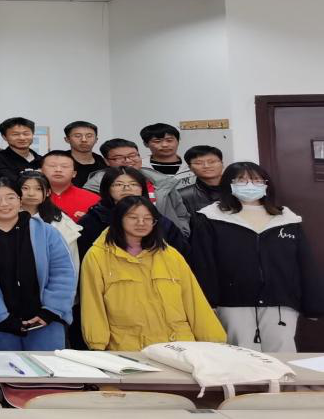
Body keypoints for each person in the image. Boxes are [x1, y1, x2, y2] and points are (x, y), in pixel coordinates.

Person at [190, 162, 324, 352]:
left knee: (282, 353)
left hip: (280, 301)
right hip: (232, 302)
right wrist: (208, 303)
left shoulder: (286, 218)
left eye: (256, 180)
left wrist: (313, 304)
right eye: (241, 180)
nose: (250, 185)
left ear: (266, 184)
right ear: (228, 184)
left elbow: (305, 263)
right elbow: (204, 264)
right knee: (240, 354)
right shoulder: (210, 217)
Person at [80, 195, 224, 351]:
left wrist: (214, 340)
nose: (141, 223)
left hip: (178, 345)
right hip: (129, 348)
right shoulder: (97, 256)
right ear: (118, 219)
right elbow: (92, 304)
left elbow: (194, 300)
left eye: (148, 218)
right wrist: (97, 344)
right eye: (133, 217)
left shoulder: (170, 255)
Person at [0, 178, 76, 351]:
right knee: (6, 368)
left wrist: (50, 311)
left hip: (45, 321)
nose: (4, 203)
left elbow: (63, 273)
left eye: (11, 197)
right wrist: (1, 317)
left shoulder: (46, 232)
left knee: (47, 367)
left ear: (20, 200)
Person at [85, 138, 192, 236]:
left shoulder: (161, 180)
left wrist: (181, 233)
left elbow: (181, 214)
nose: (128, 160)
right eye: (119, 158)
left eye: (133, 155)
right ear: (106, 161)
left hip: (167, 241)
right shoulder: (95, 187)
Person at [78, 166, 188, 260]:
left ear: (142, 189)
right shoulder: (92, 220)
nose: (127, 188)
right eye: (118, 184)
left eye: (134, 184)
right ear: (107, 189)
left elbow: (181, 255)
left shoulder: (158, 220)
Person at [17, 170, 82, 272]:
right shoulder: (6, 215)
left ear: (48, 192)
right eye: (25, 188)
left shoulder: (59, 220)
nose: (31, 193)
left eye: (38, 189)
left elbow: (71, 258)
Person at [39, 151, 99, 223]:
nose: (58, 170)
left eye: (65, 166)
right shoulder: (30, 197)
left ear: (74, 173)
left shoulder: (94, 200)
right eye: (52, 166)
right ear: (41, 171)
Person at [176, 145, 227, 214]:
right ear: (190, 168)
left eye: (212, 162)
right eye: (198, 163)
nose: (206, 166)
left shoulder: (237, 190)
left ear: (222, 164)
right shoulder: (182, 196)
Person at [63, 121, 106, 187]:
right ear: (67, 139)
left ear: (96, 139)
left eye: (89, 136)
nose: (84, 140)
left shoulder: (103, 162)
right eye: (77, 136)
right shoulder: (59, 160)